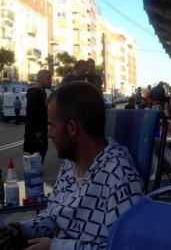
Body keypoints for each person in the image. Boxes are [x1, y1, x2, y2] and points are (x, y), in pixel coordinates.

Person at [0, 82, 144, 250]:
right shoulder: (70, 166)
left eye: (52, 126)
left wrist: (56, 247)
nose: (48, 133)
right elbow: (54, 218)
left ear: (72, 128)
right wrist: (18, 231)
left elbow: (127, 246)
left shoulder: (120, 177)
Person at [23, 70, 52, 164]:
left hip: (42, 131)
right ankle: (35, 178)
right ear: (40, 79)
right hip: (36, 134)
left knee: (39, 160)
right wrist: (37, 131)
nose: (50, 81)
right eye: (48, 78)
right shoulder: (35, 93)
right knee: (36, 161)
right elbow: (31, 112)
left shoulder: (42, 93)